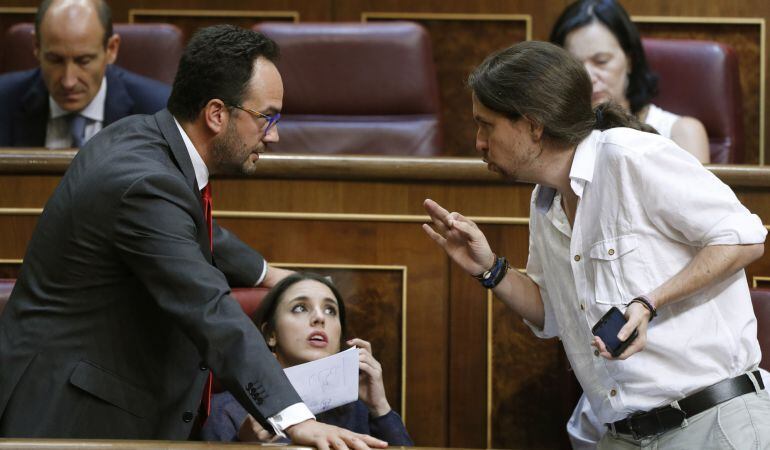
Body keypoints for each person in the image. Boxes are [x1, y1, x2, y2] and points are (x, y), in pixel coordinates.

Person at [0, 24, 388, 449]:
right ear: (217, 114)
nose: (273, 135)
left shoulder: (142, 138)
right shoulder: (145, 183)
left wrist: (268, 273)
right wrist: (295, 419)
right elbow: (209, 308)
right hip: (68, 417)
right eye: (267, 117)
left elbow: (196, 232)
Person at [423, 40, 769, 449]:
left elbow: (745, 237)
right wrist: (490, 269)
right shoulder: (544, 200)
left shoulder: (631, 157)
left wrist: (650, 301)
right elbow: (552, 314)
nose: (478, 141)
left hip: (710, 422)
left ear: (533, 125)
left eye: (487, 125)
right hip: (623, 435)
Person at [201, 272, 413, 445]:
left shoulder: (357, 407)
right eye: (300, 308)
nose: (320, 318)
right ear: (270, 335)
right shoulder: (227, 409)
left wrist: (380, 408)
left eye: (330, 310)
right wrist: (244, 444)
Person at [550, 0, 710, 163]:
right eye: (575, 66)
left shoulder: (680, 132)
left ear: (630, 61)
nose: (589, 77)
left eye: (601, 61)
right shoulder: (556, 137)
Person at [0, 0, 170, 148]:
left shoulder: (159, 112)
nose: (68, 82)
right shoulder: (4, 101)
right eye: (55, 60)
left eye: (83, 61)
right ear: (36, 47)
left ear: (111, 49)